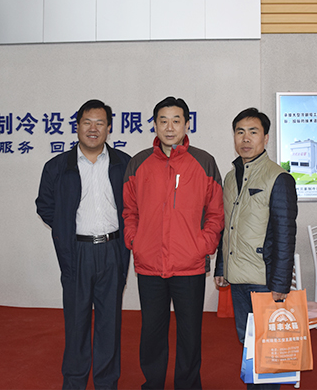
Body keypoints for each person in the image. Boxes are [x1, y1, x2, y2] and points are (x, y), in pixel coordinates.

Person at [123, 96, 224, 390]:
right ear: (154, 125)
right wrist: (135, 241)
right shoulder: (138, 163)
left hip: (189, 265)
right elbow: (129, 211)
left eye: (176, 120)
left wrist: (203, 245)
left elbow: (216, 213)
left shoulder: (204, 162)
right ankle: (153, 384)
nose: (170, 127)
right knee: (152, 333)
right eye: (163, 121)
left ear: (187, 124)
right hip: (150, 264)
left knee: (190, 334)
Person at [35, 99, 131, 390]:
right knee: (76, 322)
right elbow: (45, 205)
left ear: (109, 128)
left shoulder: (124, 163)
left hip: (113, 251)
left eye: (100, 123)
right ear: (77, 126)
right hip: (76, 252)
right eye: (87, 122)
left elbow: (135, 205)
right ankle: (75, 382)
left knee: (109, 323)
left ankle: (106, 383)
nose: (93, 129)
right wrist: (65, 231)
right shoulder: (57, 166)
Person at [214, 108, 298, 390]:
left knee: (269, 348)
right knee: (248, 343)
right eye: (240, 132)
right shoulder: (230, 177)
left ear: (266, 138)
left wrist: (281, 283)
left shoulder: (279, 178)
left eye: (253, 132)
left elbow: (285, 234)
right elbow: (226, 227)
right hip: (238, 278)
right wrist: (221, 267)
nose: (246, 139)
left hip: (264, 281)